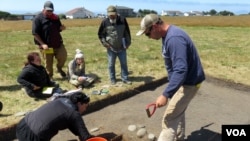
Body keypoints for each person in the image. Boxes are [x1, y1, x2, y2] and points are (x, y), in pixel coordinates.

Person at [136, 14, 205, 141]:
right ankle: (179, 138)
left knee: (169, 118)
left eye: (147, 34)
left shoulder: (174, 38)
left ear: (155, 27)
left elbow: (180, 69)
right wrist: (173, 88)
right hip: (184, 81)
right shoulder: (167, 35)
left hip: (190, 83)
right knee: (178, 111)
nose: (149, 37)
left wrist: (166, 94)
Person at [16, 90, 94, 141]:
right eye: (86, 106)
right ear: (79, 103)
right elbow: (86, 137)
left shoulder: (60, 100)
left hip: (22, 125)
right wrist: (88, 137)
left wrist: (79, 134)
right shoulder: (74, 114)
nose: (85, 109)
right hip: (34, 137)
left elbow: (72, 124)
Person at [32, 1, 67, 79]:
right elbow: (35, 33)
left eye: (51, 11)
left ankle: (59, 68)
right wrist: (42, 44)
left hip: (58, 43)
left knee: (63, 57)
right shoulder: (38, 18)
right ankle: (49, 77)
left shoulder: (55, 17)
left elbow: (58, 28)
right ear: (43, 9)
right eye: (48, 11)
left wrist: (61, 28)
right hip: (46, 46)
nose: (49, 12)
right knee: (48, 63)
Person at [98, 5, 132, 85]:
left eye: (113, 14)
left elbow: (127, 33)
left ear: (116, 13)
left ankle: (125, 78)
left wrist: (128, 43)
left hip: (122, 47)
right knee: (111, 64)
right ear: (108, 14)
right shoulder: (104, 22)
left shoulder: (123, 20)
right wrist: (105, 44)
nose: (112, 16)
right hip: (111, 48)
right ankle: (112, 79)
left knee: (124, 63)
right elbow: (100, 34)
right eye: (110, 15)